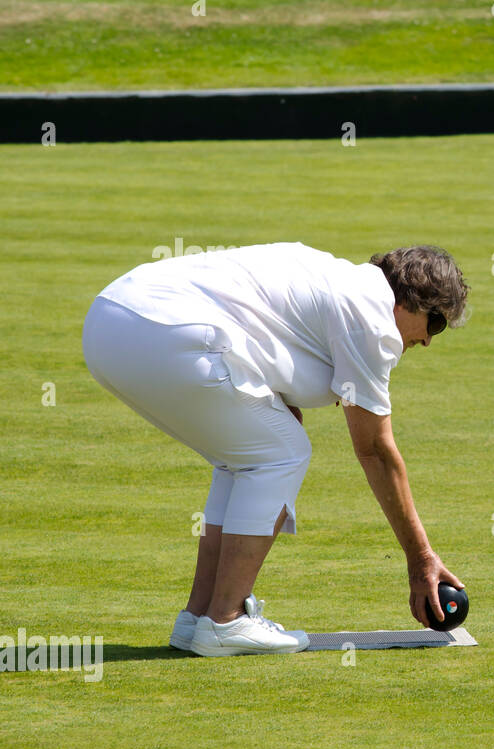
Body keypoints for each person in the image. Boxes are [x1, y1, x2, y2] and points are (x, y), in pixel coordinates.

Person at [81, 242, 468, 657]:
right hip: (164, 330)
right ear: (411, 301)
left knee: (248, 455)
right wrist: (420, 558)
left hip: (110, 323)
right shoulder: (372, 318)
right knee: (282, 452)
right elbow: (374, 449)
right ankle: (226, 620)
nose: (428, 341)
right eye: (436, 324)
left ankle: (198, 617)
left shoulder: (337, 279)